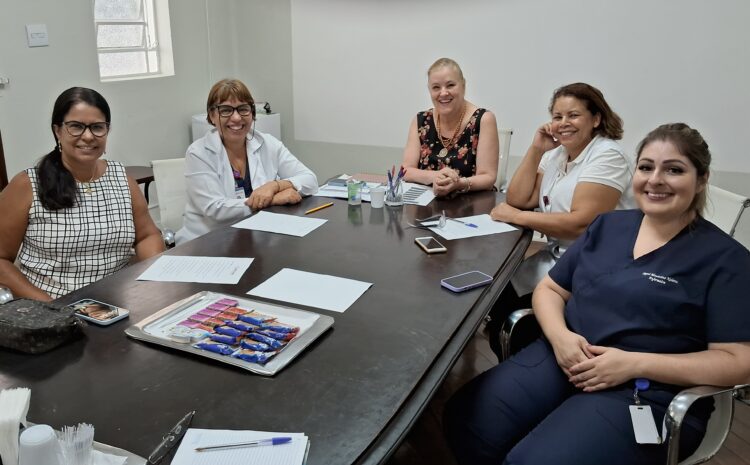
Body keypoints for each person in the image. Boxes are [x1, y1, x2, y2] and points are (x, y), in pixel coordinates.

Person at [445, 123, 750, 465]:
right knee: (466, 418)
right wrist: (560, 338)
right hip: (564, 358)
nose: (655, 180)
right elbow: (549, 289)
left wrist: (633, 363)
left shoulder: (727, 260)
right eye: (646, 167)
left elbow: (739, 363)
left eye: (674, 170)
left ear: (702, 179)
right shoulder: (609, 226)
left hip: (647, 389)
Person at [486, 82, 634, 358]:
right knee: (494, 289)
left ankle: (532, 362)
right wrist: (536, 149)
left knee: (512, 311)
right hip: (560, 256)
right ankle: (516, 361)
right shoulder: (557, 154)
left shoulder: (608, 156)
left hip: (596, 263)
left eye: (573, 115)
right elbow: (519, 198)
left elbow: (583, 224)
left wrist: (518, 217)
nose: (564, 123)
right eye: (557, 116)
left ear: (596, 119)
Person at [0, 87, 164, 301]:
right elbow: (2, 260)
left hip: (119, 302)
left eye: (97, 127)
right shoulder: (28, 184)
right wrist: (53, 307)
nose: (88, 136)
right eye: (76, 127)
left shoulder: (122, 178)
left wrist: (152, 278)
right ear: (58, 131)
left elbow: (147, 235)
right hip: (53, 309)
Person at [177, 79, 318, 243]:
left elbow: (311, 180)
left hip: (256, 236)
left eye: (243, 109)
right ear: (212, 116)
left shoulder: (267, 143)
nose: (236, 118)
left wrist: (274, 186)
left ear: (252, 114)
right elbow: (216, 209)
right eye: (226, 110)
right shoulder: (199, 153)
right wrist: (272, 199)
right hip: (209, 242)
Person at [401, 58, 499, 197]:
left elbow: (488, 177)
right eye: (436, 87)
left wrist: (459, 183)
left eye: (450, 85)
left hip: (472, 207)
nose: (443, 93)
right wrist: (435, 177)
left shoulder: (484, 119)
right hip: (427, 206)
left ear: (463, 86)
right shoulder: (421, 120)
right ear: (429, 90)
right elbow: (406, 170)